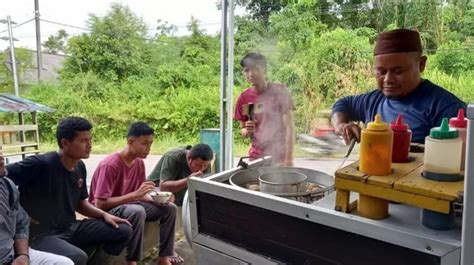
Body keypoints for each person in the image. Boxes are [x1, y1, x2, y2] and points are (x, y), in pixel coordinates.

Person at [5, 117, 132, 265]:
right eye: (83, 141)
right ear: (65, 143)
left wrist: (104, 215)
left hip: (70, 227)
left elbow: (80, 203)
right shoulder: (40, 164)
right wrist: (20, 213)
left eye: (90, 140)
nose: (89, 145)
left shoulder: (80, 167)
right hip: (41, 235)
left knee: (123, 230)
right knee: (77, 256)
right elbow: (3, 178)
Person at [331, 29, 466, 144]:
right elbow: (343, 104)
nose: (388, 79)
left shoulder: (446, 108)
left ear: (421, 65)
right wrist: (341, 125)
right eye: (381, 72)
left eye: (398, 71)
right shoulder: (373, 101)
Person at [89, 122, 182, 265]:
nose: (148, 148)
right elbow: (100, 204)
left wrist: (157, 199)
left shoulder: (138, 163)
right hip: (107, 211)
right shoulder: (110, 165)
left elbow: (140, 193)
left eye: (150, 143)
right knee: (137, 211)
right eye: (145, 143)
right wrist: (135, 196)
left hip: (130, 205)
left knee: (170, 208)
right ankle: (131, 260)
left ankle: (164, 256)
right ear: (130, 141)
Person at [0, 152, 74, 265]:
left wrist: (22, 255)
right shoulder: (41, 163)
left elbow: (21, 224)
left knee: (64, 263)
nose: (1, 156)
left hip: (13, 254)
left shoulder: (6, 186)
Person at [234, 52, 295, 166]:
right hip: (256, 157)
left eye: (255, 69)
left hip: (279, 156)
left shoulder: (280, 91)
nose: (251, 74)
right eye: (247, 70)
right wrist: (247, 131)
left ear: (264, 69)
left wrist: (289, 159)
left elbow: (289, 128)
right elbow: (242, 130)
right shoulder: (244, 98)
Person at [148, 144, 213, 207]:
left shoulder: (204, 162)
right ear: (189, 158)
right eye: (197, 165)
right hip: (155, 188)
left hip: (182, 191)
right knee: (169, 197)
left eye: (205, 166)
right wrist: (189, 180)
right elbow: (164, 187)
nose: (201, 169)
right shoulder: (172, 157)